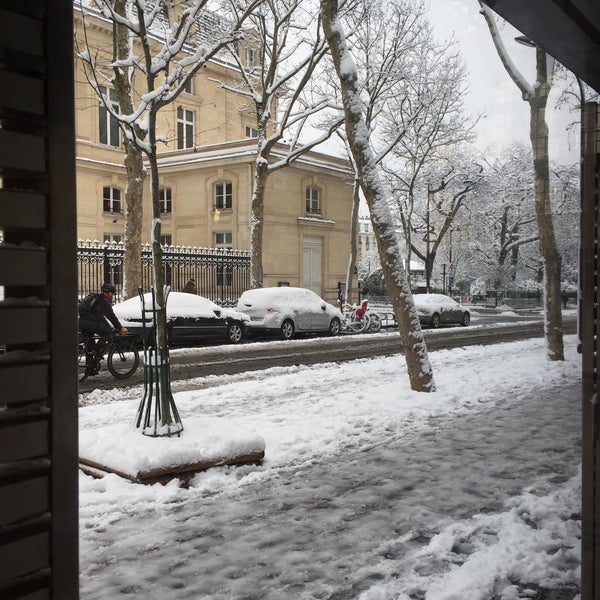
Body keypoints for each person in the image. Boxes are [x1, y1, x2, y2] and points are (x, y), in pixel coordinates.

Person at [79, 283, 127, 375]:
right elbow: (111, 316)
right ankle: (97, 350)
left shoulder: (98, 300)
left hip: (82, 322)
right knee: (108, 333)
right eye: (112, 294)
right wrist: (119, 328)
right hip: (89, 322)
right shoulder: (104, 302)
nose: (112, 297)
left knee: (89, 345)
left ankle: (90, 368)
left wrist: (108, 326)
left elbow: (100, 317)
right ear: (108, 293)